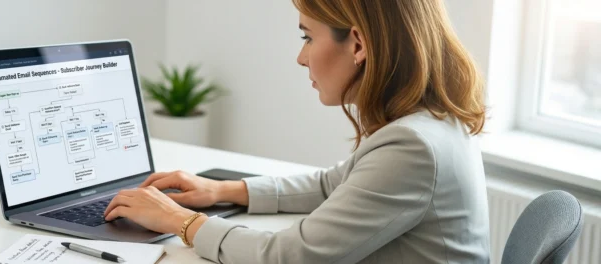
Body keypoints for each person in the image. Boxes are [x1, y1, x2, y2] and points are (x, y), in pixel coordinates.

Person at [103, 0, 490, 263]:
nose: (301, 57)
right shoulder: (428, 120)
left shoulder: (413, 146)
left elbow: (288, 256)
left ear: (358, 44)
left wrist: (178, 221)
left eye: (307, 37)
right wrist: (221, 190)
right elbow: (333, 185)